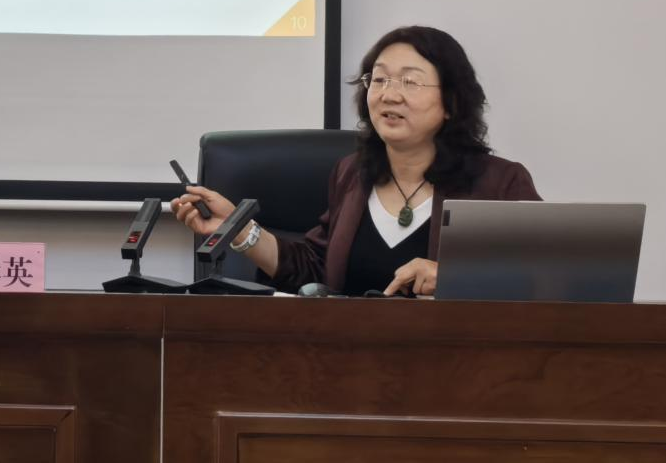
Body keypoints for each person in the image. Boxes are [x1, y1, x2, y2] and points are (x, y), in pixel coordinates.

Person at [172, 25, 539, 297]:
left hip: (459, 365)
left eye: (410, 82)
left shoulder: (499, 184)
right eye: (379, 80)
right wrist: (238, 229)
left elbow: (543, 280)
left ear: (452, 103)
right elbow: (315, 270)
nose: (389, 95)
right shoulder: (352, 174)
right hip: (349, 360)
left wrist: (454, 279)